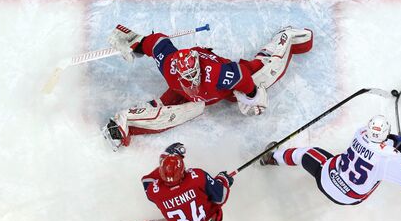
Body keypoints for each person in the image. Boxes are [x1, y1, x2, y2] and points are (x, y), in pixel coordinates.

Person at [102, 24, 313, 151]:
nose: (191, 81)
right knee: (178, 111)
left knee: (266, 72)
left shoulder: (218, 75)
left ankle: (287, 37)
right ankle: (122, 123)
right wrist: (135, 41)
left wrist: (252, 95)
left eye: (194, 76)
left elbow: (241, 75)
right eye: (188, 78)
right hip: (185, 94)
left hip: (224, 88)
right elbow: (157, 43)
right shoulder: (169, 65)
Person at [259, 115, 401, 205]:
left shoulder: (360, 134)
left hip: (327, 177)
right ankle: (272, 158)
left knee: (305, 154)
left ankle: (271, 158)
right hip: (351, 197)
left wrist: (392, 143)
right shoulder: (389, 159)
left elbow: (374, 143)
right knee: (379, 172)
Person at [118, 143, 234, 221]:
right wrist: (222, 180)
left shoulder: (155, 192)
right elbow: (221, 197)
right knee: (210, 193)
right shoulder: (197, 177)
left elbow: (147, 181)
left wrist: (165, 161)